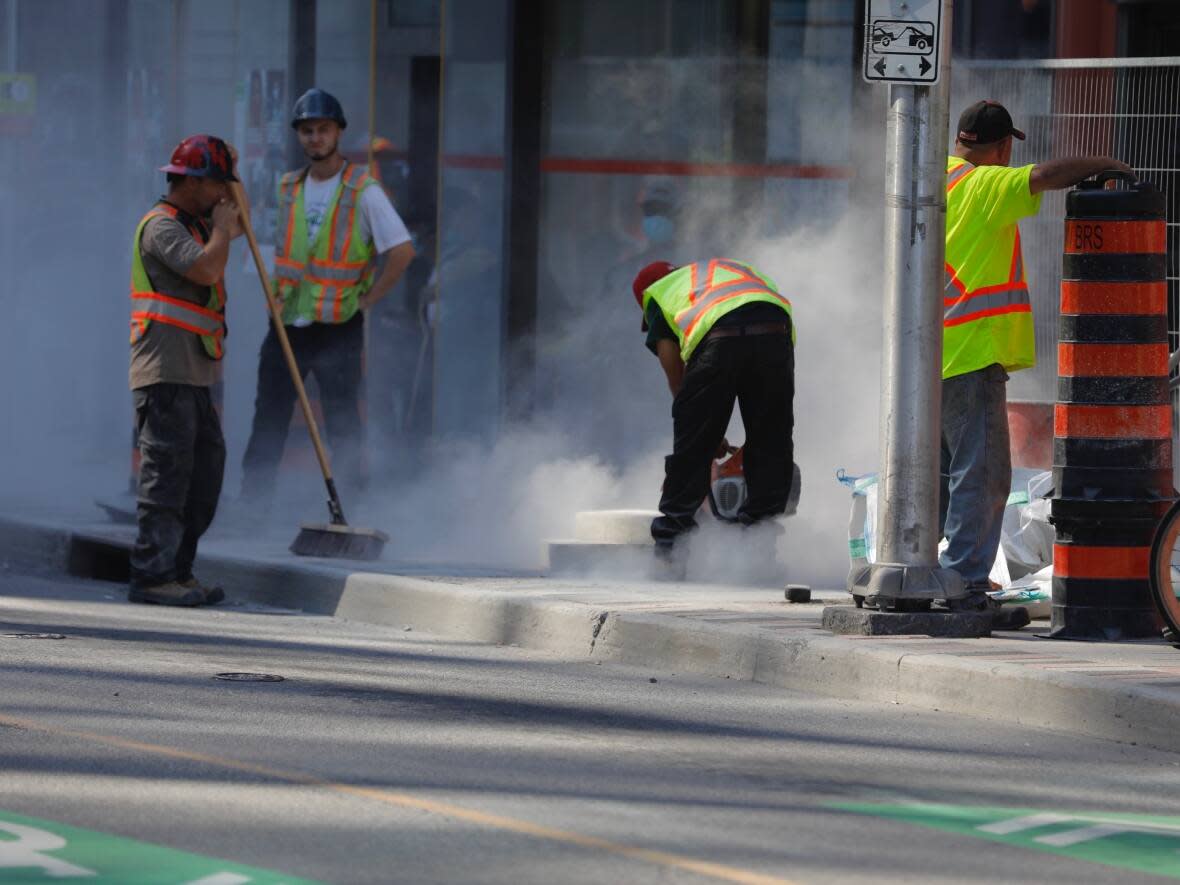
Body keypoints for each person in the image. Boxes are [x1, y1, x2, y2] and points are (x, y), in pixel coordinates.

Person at [941, 100, 1133, 619]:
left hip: (932, 356)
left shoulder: (938, 178)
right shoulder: (984, 185)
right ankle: (964, 589)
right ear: (1002, 147)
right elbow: (1045, 176)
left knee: (950, 473)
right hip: (971, 352)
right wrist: (1105, 164)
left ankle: (942, 579)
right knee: (981, 476)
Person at [240, 88, 415, 508]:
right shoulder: (287, 188)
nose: (314, 138)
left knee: (341, 423)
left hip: (338, 327)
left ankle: (350, 507)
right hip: (287, 326)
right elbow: (279, 250)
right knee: (269, 418)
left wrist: (369, 299)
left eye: (322, 129)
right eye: (306, 130)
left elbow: (402, 251)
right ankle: (253, 506)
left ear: (338, 132)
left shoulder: (362, 190)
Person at [128, 135, 242, 606]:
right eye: (217, 183)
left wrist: (234, 170)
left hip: (196, 374)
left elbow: (240, 219)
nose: (222, 194)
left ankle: (180, 570)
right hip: (164, 372)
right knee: (167, 479)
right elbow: (205, 272)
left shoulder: (200, 223)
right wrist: (220, 231)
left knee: (203, 478)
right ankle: (153, 576)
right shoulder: (163, 227)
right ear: (193, 182)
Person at [632, 259, 796, 551]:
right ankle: (759, 546)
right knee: (771, 438)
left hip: (721, 335)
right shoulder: (719, 273)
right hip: (775, 329)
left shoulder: (659, 293)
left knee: (692, 446)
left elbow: (675, 374)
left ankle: (672, 550)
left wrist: (704, 436)